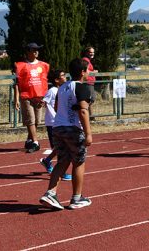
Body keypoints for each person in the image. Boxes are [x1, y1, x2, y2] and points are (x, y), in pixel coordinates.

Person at [39, 58, 94, 210]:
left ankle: (50, 193)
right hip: (73, 129)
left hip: (58, 127)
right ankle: (76, 198)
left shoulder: (62, 87)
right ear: (83, 72)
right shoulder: (82, 87)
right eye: (88, 70)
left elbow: (57, 107)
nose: (89, 72)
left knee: (62, 161)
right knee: (79, 162)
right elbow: (83, 110)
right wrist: (88, 133)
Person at [14, 43, 50, 153]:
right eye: (33, 50)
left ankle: (29, 139)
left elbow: (45, 81)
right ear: (28, 52)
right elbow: (16, 83)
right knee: (30, 120)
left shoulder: (44, 65)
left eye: (37, 50)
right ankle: (35, 142)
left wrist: (46, 97)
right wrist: (16, 99)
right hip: (26, 97)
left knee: (37, 121)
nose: (36, 52)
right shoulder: (20, 65)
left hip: (39, 97)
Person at [40, 69, 67, 176]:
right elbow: (44, 102)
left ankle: (47, 160)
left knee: (61, 146)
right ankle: (61, 172)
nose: (65, 77)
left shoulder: (61, 90)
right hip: (52, 123)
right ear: (56, 80)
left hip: (60, 122)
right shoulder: (53, 91)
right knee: (60, 148)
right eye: (63, 75)